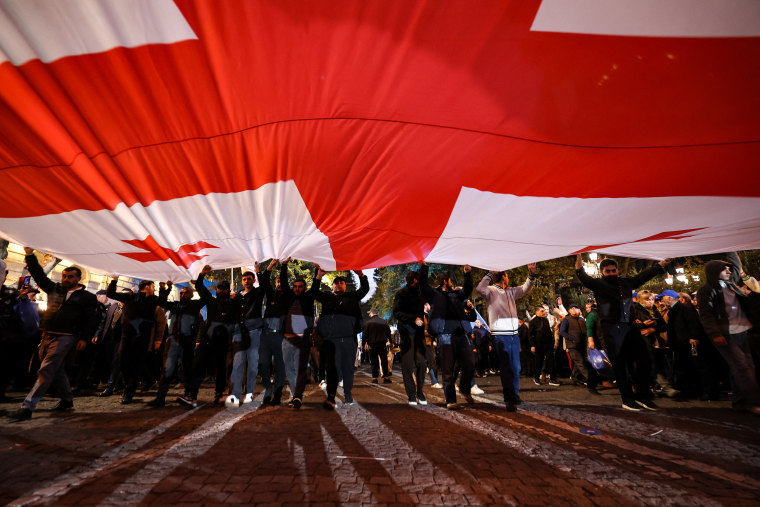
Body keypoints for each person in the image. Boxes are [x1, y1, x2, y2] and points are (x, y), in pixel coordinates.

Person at [9, 248, 98, 421]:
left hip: (67, 336)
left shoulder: (87, 297)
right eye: (64, 276)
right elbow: (39, 275)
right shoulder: (54, 289)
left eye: (71, 276)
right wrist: (29, 255)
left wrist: (84, 338)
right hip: (48, 334)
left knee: (46, 369)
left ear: (79, 278)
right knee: (56, 370)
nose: (66, 279)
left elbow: (91, 319)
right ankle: (67, 400)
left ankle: (27, 407)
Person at [575, 254, 669, 411]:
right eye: (608, 271)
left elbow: (643, 276)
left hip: (630, 327)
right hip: (611, 329)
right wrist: (578, 263)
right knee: (621, 365)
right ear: (602, 272)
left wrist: (661, 264)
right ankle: (627, 398)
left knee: (644, 359)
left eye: (613, 270)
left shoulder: (626, 282)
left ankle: (642, 395)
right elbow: (583, 276)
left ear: (617, 270)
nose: (611, 273)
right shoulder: (598, 284)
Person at [697, 260, 760, 414]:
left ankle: (739, 402)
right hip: (726, 335)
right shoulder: (706, 290)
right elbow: (706, 315)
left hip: (743, 332)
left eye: (729, 268)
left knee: (743, 367)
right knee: (743, 367)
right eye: (724, 269)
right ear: (713, 271)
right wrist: (715, 334)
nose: (729, 271)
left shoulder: (732, 286)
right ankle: (754, 403)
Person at [476, 264, 536, 409]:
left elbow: (525, 288)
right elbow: (479, 289)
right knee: (506, 367)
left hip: (513, 335)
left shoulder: (511, 291)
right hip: (500, 336)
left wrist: (532, 275)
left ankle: (514, 395)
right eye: (507, 275)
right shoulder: (490, 291)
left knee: (516, 367)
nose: (509, 278)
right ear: (503, 276)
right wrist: (490, 274)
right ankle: (509, 398)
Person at [180, 265, 241, 407]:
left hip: (223, 343)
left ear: (228, 290)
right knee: (198, 367)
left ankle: (219, 394)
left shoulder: (234, 305)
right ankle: (191, 395)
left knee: (221, 370)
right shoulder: (211, 301)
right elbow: (200, 286)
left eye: (224, 288)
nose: (221, 290)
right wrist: (202, 274)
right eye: (219, 288)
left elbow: (237, 320)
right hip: (207, 342)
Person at [419, 262, 476, 410]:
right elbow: (423, 286)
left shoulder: (457, 294)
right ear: (446, 282)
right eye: (450, 281)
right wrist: (424, 268)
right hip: (445, 336)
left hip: (462, 335)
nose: (452, 283)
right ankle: (451, 399)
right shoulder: (434, 295)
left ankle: (464, 388)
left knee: (470, 363)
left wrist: (467, 274)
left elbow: (468, 289)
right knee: (448, 369)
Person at [313, 266, 369, 408]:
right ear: (332, 286)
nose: (338, 285)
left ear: (345, 285)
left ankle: (348, 395)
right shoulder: (327, 298)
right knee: (332, 368)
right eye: (336, 283)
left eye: (341, 283)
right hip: (331, 341)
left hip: (349, 339)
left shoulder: (352, 297)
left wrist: (361, 275)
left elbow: (365, 289)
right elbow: (313, 292)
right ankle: (331, 396)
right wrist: (318, 276)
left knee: (348, 369)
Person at [147, 283, 206, 407]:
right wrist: (166, 288)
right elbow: (161, 301)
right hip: (173, 341)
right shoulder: (174, 305)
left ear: (191, 295)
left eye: (185, 293)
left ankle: (189, 396)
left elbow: (206, 297)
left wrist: (198, 283)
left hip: (187, 342)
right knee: (167, 369)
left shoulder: (194, 306)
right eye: (181, 293)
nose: (182, 294)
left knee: (188, 370)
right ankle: (160, 398)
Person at [106, 275, 160, 404]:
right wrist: (114, 280)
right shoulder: (130, 297)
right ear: (147, 287)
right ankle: (127, 386)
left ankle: (129, 391)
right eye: (154, 287)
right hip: (127, 336)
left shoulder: (154, 300)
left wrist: (165, 288)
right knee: (124, 363)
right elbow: (111, 293)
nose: (155, 289)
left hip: (142, 338)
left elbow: (164, 301)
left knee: (136, 364)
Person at [280, 260, 319, 409]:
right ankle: (296, 393)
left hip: (302, 340)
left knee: (301, 368)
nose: (297, 289)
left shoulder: (308, 298)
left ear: (304, 288)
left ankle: (297, 396)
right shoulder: (288, 297)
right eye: (295, 287)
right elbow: (283, 282)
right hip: (287, 339)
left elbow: (315, 287)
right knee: (289, 368)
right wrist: (284, 265)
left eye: (300, 287)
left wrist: (318, 273)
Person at [226, 265, 267, 407]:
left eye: (249, 279)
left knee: (253, 365)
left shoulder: (258, 293)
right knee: (237, 365)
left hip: (254, 331)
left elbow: (265, 285)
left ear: (253, 280)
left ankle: (249, 393)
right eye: (244, 279)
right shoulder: (237, 296)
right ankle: (236, 395)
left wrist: (259, 271)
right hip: (239, 332)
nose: (246, 281)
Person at [393, 269, 428, 405]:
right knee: (407, 365)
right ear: (414, 280)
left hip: (419, 334)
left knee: (422, 363)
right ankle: (411, 394)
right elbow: (397, 312)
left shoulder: (420, 294)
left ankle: (420, 391)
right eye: (418, 280)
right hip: (406, 334)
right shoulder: (401, 293)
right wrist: (413, 319)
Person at [259, 260, 288, 406]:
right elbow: (264, 283)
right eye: (277, 282)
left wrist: (283, 265)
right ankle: (268, 388)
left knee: (280, 366)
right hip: (265, 335)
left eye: (281, 281)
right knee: (263, 363)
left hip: (280, 336)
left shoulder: (288, 297)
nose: (279, 283)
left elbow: (284, 279)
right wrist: (269, 267)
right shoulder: (271, 296)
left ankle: (277, 393)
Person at [559, 303, 599, 394]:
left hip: (582, 344)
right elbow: (562, 332)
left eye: (576, 307)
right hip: (572, 346)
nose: (575, 309)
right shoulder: (566, 320)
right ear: (569, 310)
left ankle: (575, 379)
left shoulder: (581, 319)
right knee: (580, 363)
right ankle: (591, 380)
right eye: (573, 308)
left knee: (579, 363)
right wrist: (570, 338)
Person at [529, 306, 559, 387]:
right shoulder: (533, 322)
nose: (544, 312)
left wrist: (552, 343)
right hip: (538, 345)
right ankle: (536, 378)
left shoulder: (545, 320)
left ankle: (552, 379)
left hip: (548, 345)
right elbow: (530, 335)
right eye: (542, 311)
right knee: (539, 362)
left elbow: (549, 333)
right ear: (537, 312)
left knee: (551, 361)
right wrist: (532, 345)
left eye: (544, 311)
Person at [363, 308, 392, 384]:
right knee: (384, 361)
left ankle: (375, 378)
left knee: (374, 362)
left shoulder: (368, 323)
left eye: (369, 313)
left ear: (372, 313)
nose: (369, 314)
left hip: (372, 345)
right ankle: (386, 377)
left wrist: (363, 344)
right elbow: (389, 333)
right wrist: (391, 342)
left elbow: (365, 335)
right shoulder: (384, 322)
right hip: (382, 345)